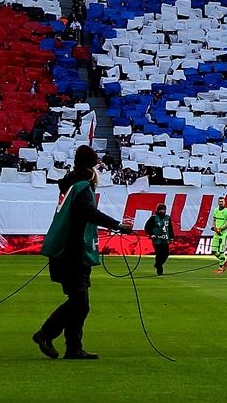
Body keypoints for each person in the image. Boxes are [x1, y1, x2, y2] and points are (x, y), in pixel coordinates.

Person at [32, 146, 130, 361]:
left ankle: (73, 347)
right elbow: (88, 212)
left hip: (64, 250)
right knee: (80, 303)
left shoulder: (69, 183)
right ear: (92, 163)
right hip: (73, 252)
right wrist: (117, 225)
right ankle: (46, 334)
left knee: (78, 302)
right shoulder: (83, 186)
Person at [144, 208, 173, 276]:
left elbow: (170, 227)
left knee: (166, 254)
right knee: (159, 254)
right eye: (161, 209)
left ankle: (157, 264)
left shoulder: (167, 217)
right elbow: (147, 227)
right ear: (158, 210)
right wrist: (151, 234)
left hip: (165, 238)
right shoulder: (153, 217)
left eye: (163, 209)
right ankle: (160, 271)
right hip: (157, 239)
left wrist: (171, 237)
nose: (162, 211)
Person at [210, 196, 227, 275]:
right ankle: (225, 262)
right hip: (216, 233)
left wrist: (221, 228)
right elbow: (214, 220)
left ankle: (221, 267)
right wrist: (214, 227)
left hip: (223, 234)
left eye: (222, 201)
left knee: (221, 251)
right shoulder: (215, 210)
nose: (221, 203)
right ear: (218, 202)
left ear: (224, 202)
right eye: (219, 201)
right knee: (214, 251)